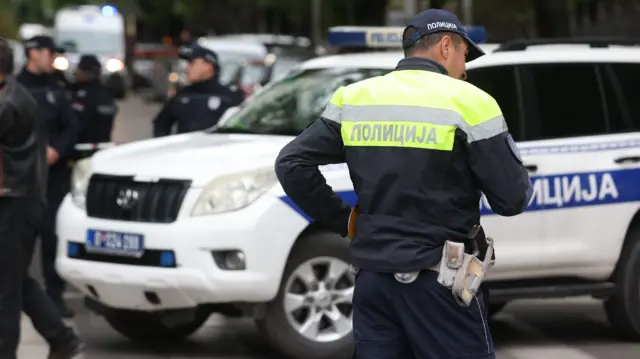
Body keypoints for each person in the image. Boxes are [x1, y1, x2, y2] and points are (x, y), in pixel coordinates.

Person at [275, 9, 533, 359]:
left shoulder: (353, 98)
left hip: (373, 283)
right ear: (446, 46)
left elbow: (291, 164)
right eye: (464, 54)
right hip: (440, 284)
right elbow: (513, 199)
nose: (465, 67)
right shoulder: (470, 101)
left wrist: (344, 220)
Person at [0, 37, 84, 359]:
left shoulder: (8, 103)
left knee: (5, 290)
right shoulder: (12, 93)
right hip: (20, 198)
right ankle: (62, 339)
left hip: (15, 201)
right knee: (15, 279)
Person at [17, 35, 81, 319]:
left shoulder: (56, 88)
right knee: (19, 241)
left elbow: (72, 126)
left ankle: (54, 297)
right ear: (33, 53)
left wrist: (57, 149)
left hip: (53, 178)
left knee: (53, 237)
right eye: (49, 53)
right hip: (22, 177)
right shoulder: (15, 88)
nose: (52, 58)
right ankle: (17, 295)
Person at [152, 43, 243, 137]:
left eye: (192, 63)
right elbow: (160, 124)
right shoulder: (182, 95)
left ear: (208, 66)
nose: (187, 68)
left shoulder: (229, 96)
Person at [69, 54, 118, 159]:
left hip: (81, 150)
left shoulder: (81, 94)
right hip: (104, 149)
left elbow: (75, 123)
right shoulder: (107, 94)